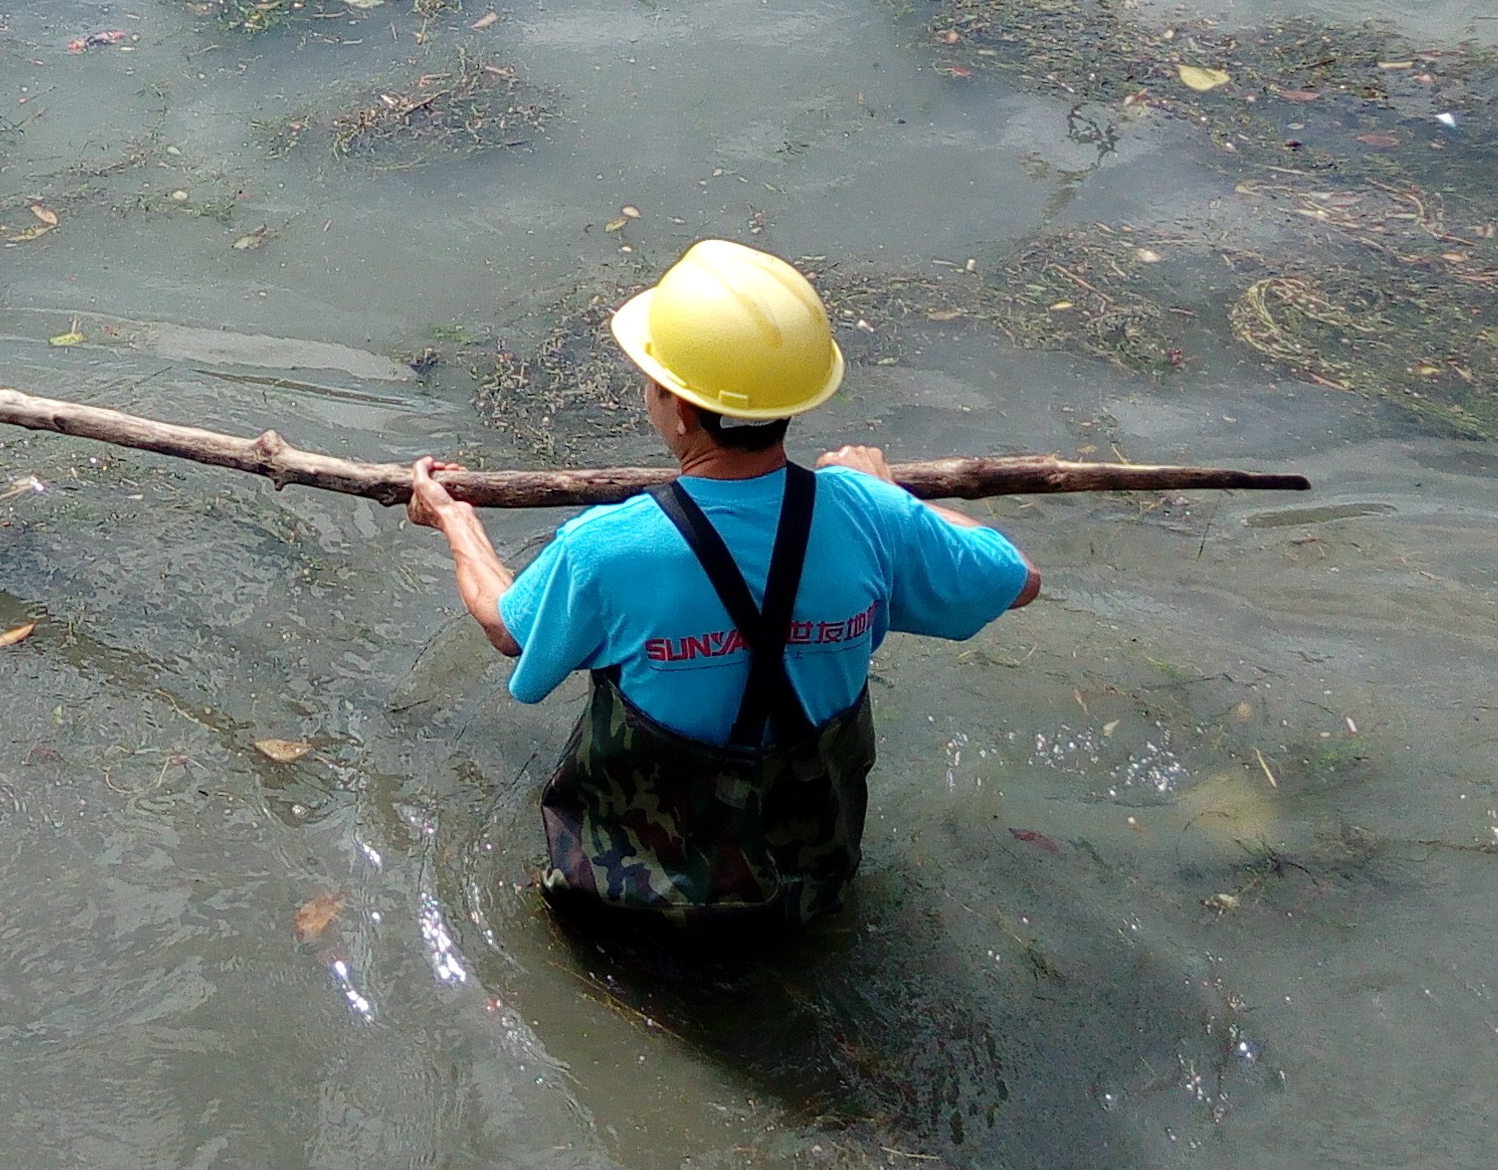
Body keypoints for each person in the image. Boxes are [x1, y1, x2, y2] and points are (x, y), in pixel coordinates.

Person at [405, 240, 1040, 934]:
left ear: (677, 406)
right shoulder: (869, 516)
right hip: (808, 894)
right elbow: (1018, 578)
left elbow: (505, 627)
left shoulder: (607, 547)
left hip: (632, 910)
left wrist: (454, 519)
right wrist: (891, 496)